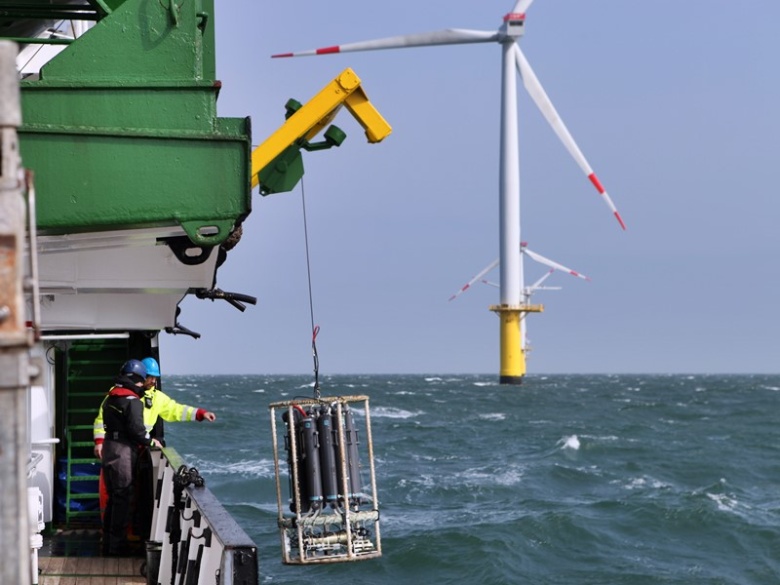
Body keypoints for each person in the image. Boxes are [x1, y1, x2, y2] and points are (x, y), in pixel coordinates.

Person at [101, 359, 161, 556]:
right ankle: (117, 547)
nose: (144, 383)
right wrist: (151, 442)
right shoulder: (133, 401)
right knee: (123, 497)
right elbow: (137, 431)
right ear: (137, 379)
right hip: (123, 452)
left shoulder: (111, 397)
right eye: (142, 380)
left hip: (109, 447)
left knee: (113, 498)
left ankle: (108, 543)